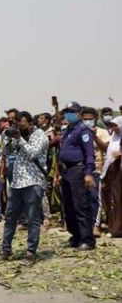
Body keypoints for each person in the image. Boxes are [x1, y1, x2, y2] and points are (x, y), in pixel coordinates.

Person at [0, 111, 48, 266]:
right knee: (10, 217)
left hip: (33, 181)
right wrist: (8, 139)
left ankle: (31, 252)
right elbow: (6, 152)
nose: (20, 127)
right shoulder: (16, 136)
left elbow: (33, 153)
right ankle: (6, 249)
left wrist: (20, 139)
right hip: (17, 182)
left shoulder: (40, 135)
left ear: (30, 123)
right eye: (17, 124)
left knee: (33, 218)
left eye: (23, 124)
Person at [59, 102, 97, 250]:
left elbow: (89, 154)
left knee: (81, 206)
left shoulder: (83, 131)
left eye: (71, 111)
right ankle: (76, 235)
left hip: (78, 170)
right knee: (68, 207)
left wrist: (88, 173)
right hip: (67, 171)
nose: (68, 114)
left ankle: (87, 239)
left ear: (79, 113)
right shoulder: (68, 130)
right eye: (67, 111)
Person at [81, 107, 111, 237]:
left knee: (95, 198)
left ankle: (96, 225)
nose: (88, 121)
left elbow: (107, 149)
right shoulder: (79, 132)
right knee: (83, 199)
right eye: (85, 119)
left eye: (90, 119)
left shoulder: (102, 132)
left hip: (97, 169)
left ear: (95, 119)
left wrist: (94, 136)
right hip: (81, 169)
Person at [101, 116, 122, 237]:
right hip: (112, 173)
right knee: (113, 201)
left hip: (119, 173)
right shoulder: (114, 138)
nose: (114, 128)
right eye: (112, 125)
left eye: (116, 125)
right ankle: (115, 228)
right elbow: (108, 153)